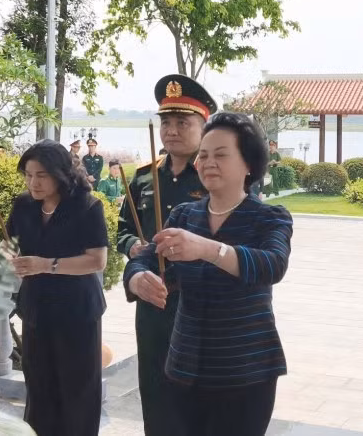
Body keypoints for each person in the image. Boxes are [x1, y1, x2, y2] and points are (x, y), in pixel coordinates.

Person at [124, 112, 293, 436]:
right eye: (203, 155)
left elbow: (272, 264)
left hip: (245, 368)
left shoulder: (269, 217)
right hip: (184, 365)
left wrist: (207, 249)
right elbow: (145, 258)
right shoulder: (185, 215)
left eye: (221, 154)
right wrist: (137, 279)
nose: (208, 162)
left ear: (248, 163)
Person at [116, 74, 215, 436]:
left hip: (198, 301)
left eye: (183, 122)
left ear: (204, 126)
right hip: (153, 301)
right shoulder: (144, 178)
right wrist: (133, 248)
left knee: (197, 395)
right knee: (155, 390)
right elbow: (123, 230)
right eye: (166, 122)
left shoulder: (213, 177)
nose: (172, 130)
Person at [5, 139, 109, 436]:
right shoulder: (23, 205)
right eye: (27, 175)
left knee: (78, 391)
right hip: (37, 310)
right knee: (39, 389)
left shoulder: (86, 206)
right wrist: (8, 256)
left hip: (77, 312)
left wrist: (45, 264)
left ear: (60, 174)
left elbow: (96, 260)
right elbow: (9, 243)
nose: (33, 182)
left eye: (41, 175)